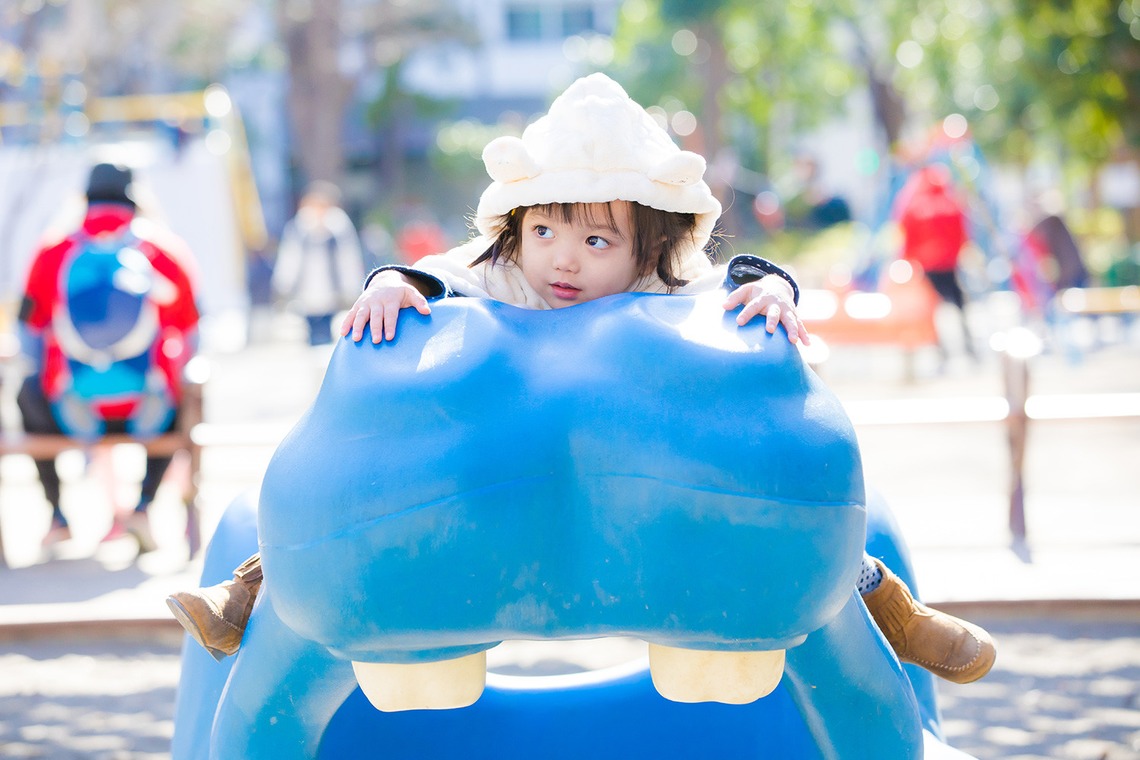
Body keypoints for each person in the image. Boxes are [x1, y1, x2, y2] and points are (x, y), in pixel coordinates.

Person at [167, 74, 994, 685]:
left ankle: (895, 612)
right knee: (345, 499)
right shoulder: (503, 281)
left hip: (646, 500)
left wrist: (773, 287)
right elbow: (437, 276)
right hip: (501, 488)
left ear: (646, 247)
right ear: (516, 230)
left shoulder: (661, 291)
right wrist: (394, 283)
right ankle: (247, 588)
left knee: (790, 514)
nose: (564, 257)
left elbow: (727, 285)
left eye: (598, 240)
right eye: (547, 229)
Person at [17, 162, 200, 553]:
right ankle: (144, 506)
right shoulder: (164, 249)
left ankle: (58, 516)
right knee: (188, 394)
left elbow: (28, 335)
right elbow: (191, 333)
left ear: (84, 199)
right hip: (148, 410)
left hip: (70, 407)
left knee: (26, 391)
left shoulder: (53, 250)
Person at [893, 164, 977, 360]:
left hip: (927, 264)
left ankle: (941, 349)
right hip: (950, 263)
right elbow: (962, 233)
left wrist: (907, 259)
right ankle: (968, 345)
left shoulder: (915, 206)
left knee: (933, 308)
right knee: (959, 303)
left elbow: (907, 235)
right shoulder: (952, 203)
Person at [271, 181, 366, 346]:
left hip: (334, 293)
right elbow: (290, 258)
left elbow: (348, 259)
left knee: (333, 335)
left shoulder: (338, 227)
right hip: (306, 293)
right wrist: (283, 285)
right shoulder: (300, 226)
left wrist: (352, 286)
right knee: (310, 335)